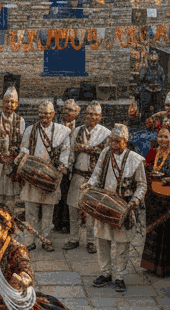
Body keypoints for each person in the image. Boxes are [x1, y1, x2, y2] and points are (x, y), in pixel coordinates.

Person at [85, 125, 147, 294]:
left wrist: (134, 202)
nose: (112, 144)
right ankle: (105, 273)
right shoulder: (105, 153)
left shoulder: (136, 160)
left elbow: (142, 185)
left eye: (116, 141)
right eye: (111, 140)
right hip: (104, 205)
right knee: (102, 240)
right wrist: (89, 185)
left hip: (124, 208)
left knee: (121, 244)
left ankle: (119, 276)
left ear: (125, 142)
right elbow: (97, 173)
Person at [18, 100, 71, 252]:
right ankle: (30, 239)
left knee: (48, 210)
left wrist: (62, 165)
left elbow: (66, 151)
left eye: (48, 113)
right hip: (32, 174)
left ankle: (45, 239)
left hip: (51, 175)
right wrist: (23, 156)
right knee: (31, 210)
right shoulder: (30, 129)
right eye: (41, 113)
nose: (44, 116)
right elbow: (24, 147)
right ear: (38, 114)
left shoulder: (62, 131)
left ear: (53, 114)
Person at [65, 101, 110, 253]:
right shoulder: (77, 131)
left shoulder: (105, 133)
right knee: (73, 208)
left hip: (94, 178)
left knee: (91, 211)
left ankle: (91, 241)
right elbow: (71, 152)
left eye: (96, 114)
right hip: (77, 173)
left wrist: (88, 149)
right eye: (90, 114)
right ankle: (74, 238)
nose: (92, 117)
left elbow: (106, 157)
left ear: (100, 116)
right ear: (84, 115)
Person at [141, 127, 170, 278]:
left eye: (166, 137)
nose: (162, 140)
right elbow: (146, 167)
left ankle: (169, 267)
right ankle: (151, 265)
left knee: (169, 233)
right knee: (154, 232)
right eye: (160, 136)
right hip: (153, 198)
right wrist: (147, 169)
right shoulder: (152, 152)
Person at [52, 99, 80, 234]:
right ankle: (57, 222)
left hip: (75, 166)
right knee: (59, 194)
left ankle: (69, 223)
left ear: (77, 113)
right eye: (66, 109)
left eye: (71, 110)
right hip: (59, 165)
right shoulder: (56, 127)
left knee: (71, 195)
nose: (68, 112)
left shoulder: (79, 129)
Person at [139, 51, 167, 119]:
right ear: (149, 61)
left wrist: (161, 90)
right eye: (152, 61)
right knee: (145, 107)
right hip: (147, 89)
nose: (153, 63)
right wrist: (144, 71)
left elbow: (162, 80)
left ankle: (155, 121)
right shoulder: (145, 68)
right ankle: (145, 120)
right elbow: (140, 79)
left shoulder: (160, 69)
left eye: (155, 61)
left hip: (157, 90)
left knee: (157, 108)